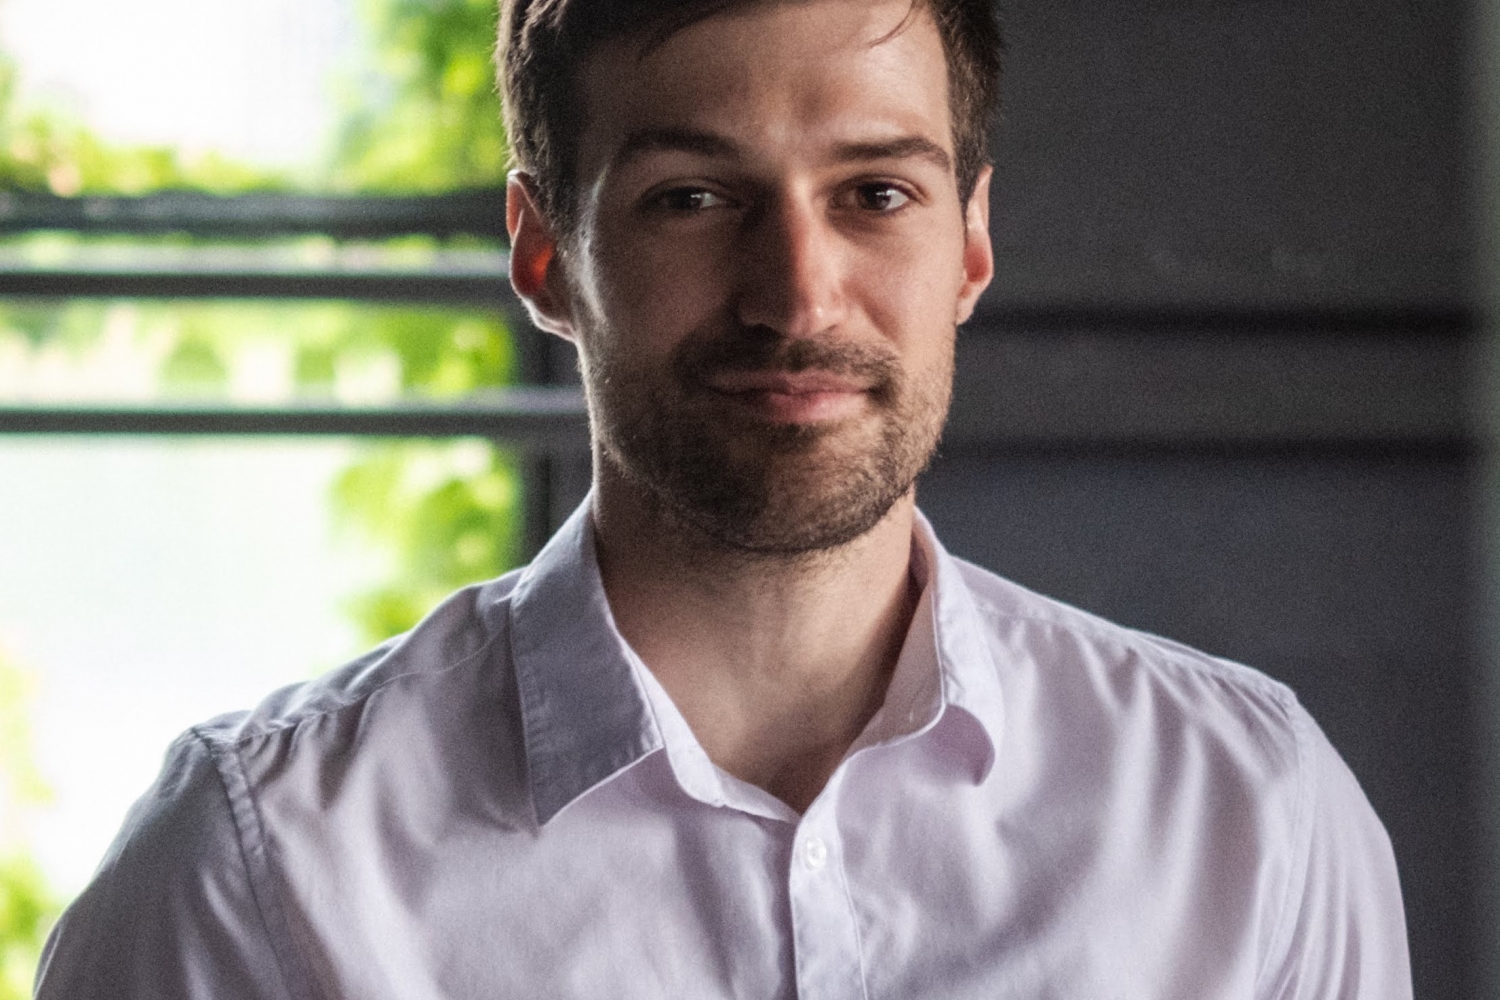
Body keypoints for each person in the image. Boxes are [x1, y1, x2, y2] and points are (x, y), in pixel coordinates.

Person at [35, 0, 1411, 996]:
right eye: (693, 198)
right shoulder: (253, 870)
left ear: (971, 246)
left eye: (877, 193)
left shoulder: (1254, 814)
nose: (797, 296)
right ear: (543, 254)